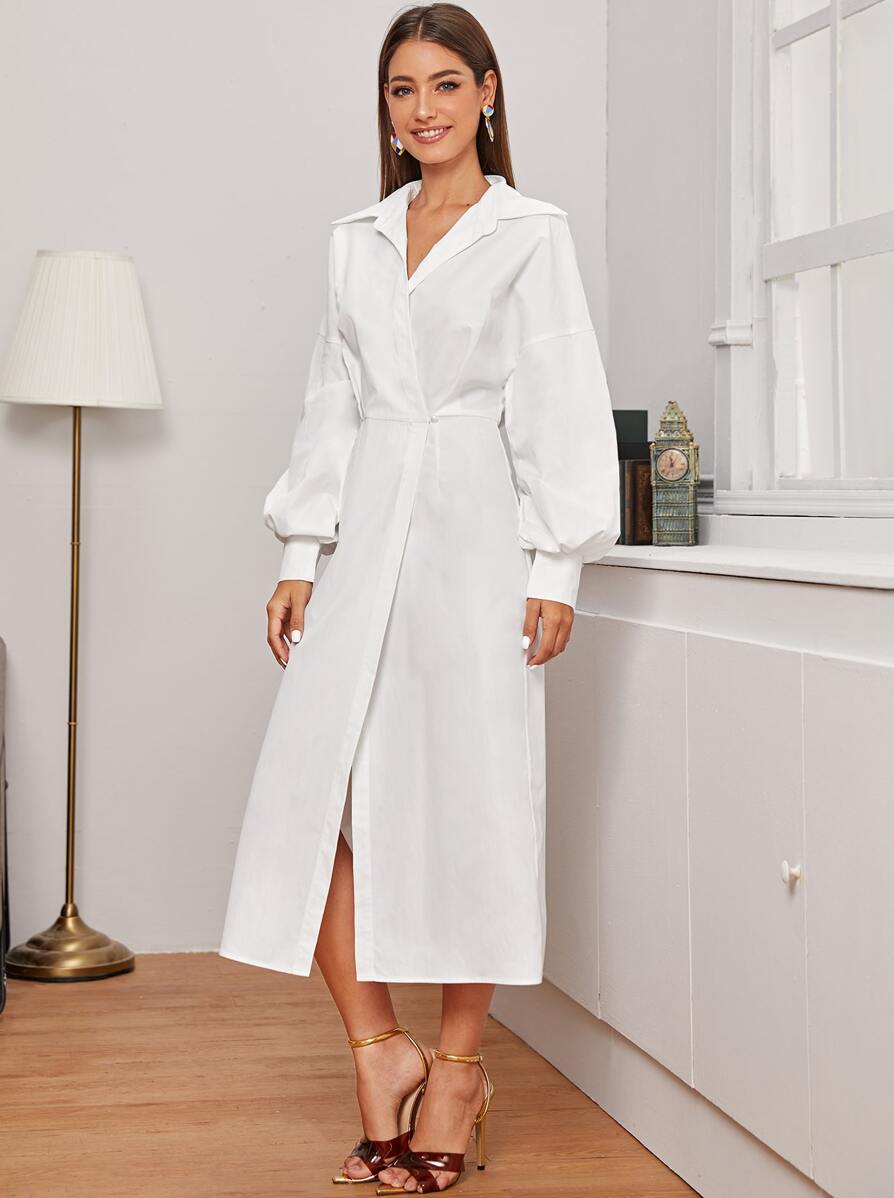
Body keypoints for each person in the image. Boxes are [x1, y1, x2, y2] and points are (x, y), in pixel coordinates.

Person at [218, 4, 620, 1192]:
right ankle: (377, 1049)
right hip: (365, 537)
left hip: (477, 540)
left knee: (471, 803)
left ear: (489, 93)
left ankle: (455, 1069)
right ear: (386, 108)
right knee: (311, 796)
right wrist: (300, 550)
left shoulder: (530, 233)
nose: (426, 108)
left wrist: (557, 566)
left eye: (448, 83)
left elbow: (559, 391)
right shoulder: (356, 239)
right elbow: (331, 399)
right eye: (404, 88)